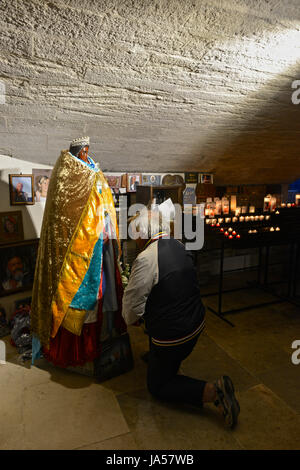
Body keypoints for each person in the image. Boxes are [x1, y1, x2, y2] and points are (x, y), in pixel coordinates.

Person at [122, 210, 240, 429]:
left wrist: (137, 317)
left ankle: (214, 391)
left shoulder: (147, 258)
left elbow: (129, 313)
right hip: (196, 323)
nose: (134, 239)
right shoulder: (178, 245)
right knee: (159, 302)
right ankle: (160, 356)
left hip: (175, 337)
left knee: (157, 386)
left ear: (141, 233)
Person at [31, 136, 126, 367]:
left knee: (102, 293)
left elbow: (104, 204)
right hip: (74, 251)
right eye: (82, 150)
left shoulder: (95, 169)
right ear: (76, 150)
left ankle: (101, 340)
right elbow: (61, 219)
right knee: (74, 296)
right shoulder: (65, 172)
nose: (86, 153)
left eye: (87, 150)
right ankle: (73, 351)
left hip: (98, 247)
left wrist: (106, 228)